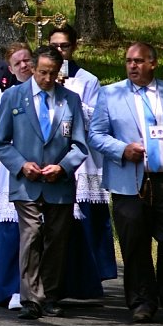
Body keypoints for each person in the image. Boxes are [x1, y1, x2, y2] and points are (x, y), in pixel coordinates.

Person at [89, 42, 163, 324]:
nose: (132, 66)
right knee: (135, 244)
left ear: (153, 63)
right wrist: (122, 149)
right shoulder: (110, 94)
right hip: (130, 182)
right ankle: (141, 303)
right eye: (128, 61)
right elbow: (96, 135)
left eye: (138, 61)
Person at [0, 46, 89, 320]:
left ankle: (50, 295)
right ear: (33, 69)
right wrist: (21, 164)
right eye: (42, 72)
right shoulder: (13, 97)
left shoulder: (70, 100)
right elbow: (1, 143)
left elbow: (80, 145)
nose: (47, 78)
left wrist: (63, 167)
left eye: (52, 73)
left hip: (58, 182)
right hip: (26, 181)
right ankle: (30, 298)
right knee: (31, 234)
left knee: (56, 239)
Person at [49, 24, 117, 297]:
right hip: (53, 157)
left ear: (73, 47)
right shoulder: (41, 77)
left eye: (63, 46)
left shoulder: (87, 80)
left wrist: (70, 99)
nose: (58, 51)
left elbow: (96, 118)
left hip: (82, 158)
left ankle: (93, 276)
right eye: (53, 46)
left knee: (88, 218)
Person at [0, 42, 34, 311]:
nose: (24, 66)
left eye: (27, 60)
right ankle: (9, 288)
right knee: (11, 230)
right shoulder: (7, 96)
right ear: (10, 69)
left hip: (44, 170)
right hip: (16, 169)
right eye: (17, 63)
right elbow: (0, 136)